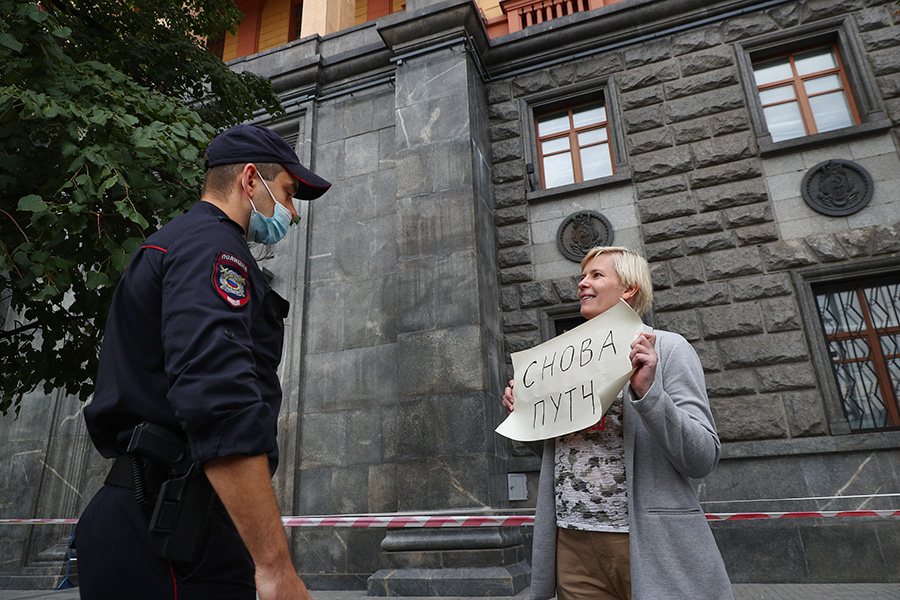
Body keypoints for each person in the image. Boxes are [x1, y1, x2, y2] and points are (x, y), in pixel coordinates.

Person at [74, 124, 331, 600]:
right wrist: (274, 567)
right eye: (289, 193)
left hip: (155, 518)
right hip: (173, 535)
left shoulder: (175, 241)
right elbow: (219, 400)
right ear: (250, 180)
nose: (292, 213)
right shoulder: (213, 248)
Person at [502, 246, 733, 600]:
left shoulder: (667, 349)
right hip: (572, 543)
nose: (582, 283)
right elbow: (557, 454)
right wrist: (526, 417)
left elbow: (702, 456)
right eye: (582, 276)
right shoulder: (561, 361)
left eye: (596, 275)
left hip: (645, 543)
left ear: (628, 288)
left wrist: (649, 394)